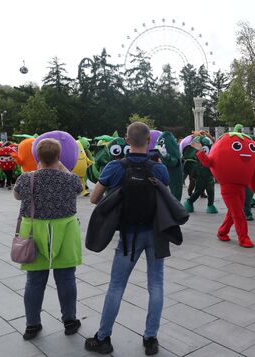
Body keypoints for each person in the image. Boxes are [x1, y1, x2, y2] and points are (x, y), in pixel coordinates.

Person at [85, 122, 170, 355]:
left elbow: (94, 199)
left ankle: (103, 338)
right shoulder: (159, 169)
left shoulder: (115, 166)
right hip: (155, 234)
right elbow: (166, 197)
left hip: (128, 235)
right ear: (149, 142)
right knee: (156, 284)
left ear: (126, 140)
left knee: (116, 286)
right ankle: (151, 338)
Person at [14, 138, 83, 340]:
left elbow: (17, 197)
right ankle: (69, 321)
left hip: (34, 232)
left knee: (34, 281)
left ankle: (32, 325)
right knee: (66, 278)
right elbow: (79, 189)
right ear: (59, 156)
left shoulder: (26, 178)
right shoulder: (69, 180)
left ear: (37, 156)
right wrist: (63, 168)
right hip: (65, 232)